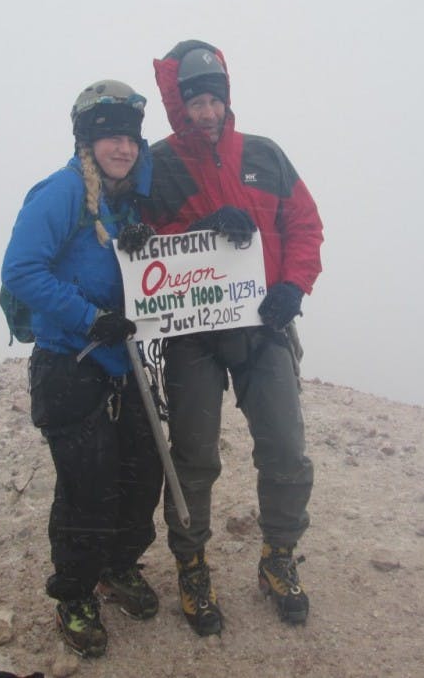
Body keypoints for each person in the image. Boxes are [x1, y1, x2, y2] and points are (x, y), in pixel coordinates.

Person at [129, 40, 324, 635]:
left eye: (214, 99)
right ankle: (192, 565)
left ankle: (279, 558)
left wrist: (292, 285)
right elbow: (141, 240)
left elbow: (304, 225)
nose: (207, 113)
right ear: (178, 107)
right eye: (196, 103)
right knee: (193, 459)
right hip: (194, 338)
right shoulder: (157, 165)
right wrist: (198, 228)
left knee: (286, 450)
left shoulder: (264, 154)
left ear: (227, 98)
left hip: (264, 329)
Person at [1, 80, 164, 658]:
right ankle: (73, 593)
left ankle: (117, 568)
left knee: (143, 473)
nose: (122, 146)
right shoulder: (64, 192)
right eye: (110, 136)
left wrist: (145, 245)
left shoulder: (127, 200)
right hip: (69, 363)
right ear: (88, 142)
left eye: (130, 136)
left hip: (124, 365)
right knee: (87, 486)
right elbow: (20, 269)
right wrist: (89, 317)